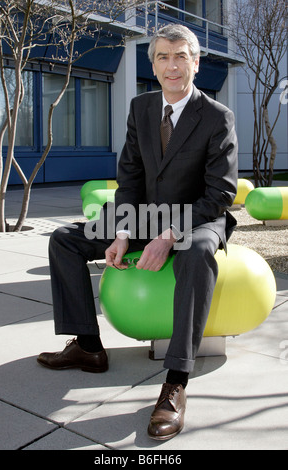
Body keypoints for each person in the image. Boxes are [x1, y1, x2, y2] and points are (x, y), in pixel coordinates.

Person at [37, 24, 238, 441]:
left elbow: (221, 193)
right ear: (154, 64)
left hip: (196, 218)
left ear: (196, 63)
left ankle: (176, 381)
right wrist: (125, 229)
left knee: (198, 251)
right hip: (144, 213)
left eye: (181, 56)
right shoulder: (141, 108)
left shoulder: (218, 117)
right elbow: (129, 177)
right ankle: (88, 347)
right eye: (163, 57)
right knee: (65, 240)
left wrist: (167, 235)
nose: (172, 65)